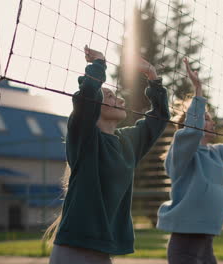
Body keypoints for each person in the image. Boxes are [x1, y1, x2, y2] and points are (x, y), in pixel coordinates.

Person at [45, 45, 170, 264]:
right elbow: (85, 100)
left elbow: (159, 117)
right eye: (111, 96)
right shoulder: (84, 137)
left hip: (102, 251)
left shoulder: (127, 142)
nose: (121, 100)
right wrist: (99, 64)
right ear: (96, 105)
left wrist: (152, 76)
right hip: (74, 249)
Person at [156, 58, 223, 264]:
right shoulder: (182, 153)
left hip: (206, 236)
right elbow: (191, 131)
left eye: (211, 118)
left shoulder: (216, 153)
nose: (212, 122)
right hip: (185, 238)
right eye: (206, 117)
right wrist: (198, 89)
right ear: (189, 123)